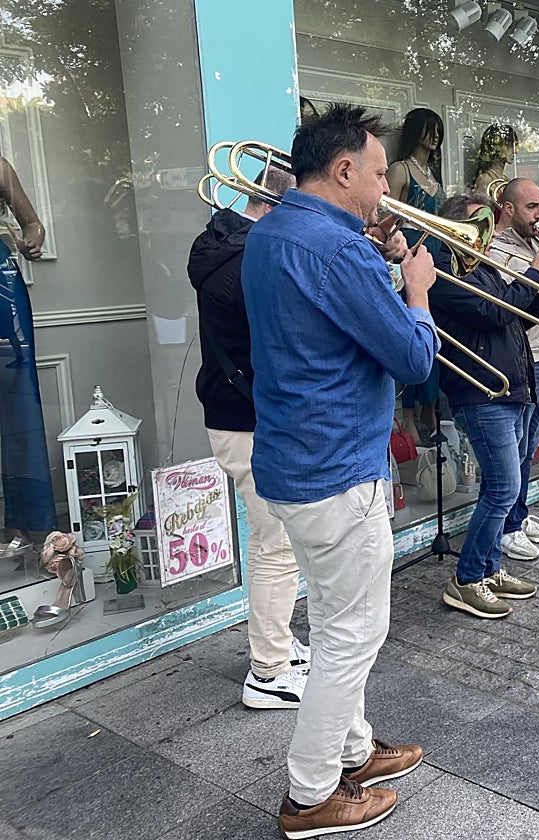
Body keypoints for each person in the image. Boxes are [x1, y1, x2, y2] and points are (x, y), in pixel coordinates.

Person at [242, 104, 438, 839]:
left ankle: (355, 752)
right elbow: (415, 360)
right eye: (381, 173)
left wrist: (375, 260)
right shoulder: (338, 250)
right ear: (345, 169)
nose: (387, 188)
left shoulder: (272, 231)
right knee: (354, 632)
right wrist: (415, 288)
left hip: (292, 461)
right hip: (338, 468)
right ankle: (312, 794)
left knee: (331, 623)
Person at [187, 165, 313, 710]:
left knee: (276, 542)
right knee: (275, 544)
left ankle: (279, 645)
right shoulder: (244, 260)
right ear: (275, 207)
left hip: (240, 414)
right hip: (246, 418)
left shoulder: (225, 244)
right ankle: (268, 671)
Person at [431, 192, 539, 618]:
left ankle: (489, 569)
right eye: (476, 225)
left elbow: (518, 316)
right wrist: (534, 274)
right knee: (505, 488)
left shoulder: (481, 267)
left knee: (498, 487)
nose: (485, 234)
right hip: (482, 393)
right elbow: (493, 313)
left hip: (508, 387)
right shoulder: (446, 272)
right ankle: (467, 579)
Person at [488, 178, 539, 561]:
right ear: (508, 208)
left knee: (529, 446)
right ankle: (506, 527)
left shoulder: (536, 244)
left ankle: (518, 512)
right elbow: (508, 306)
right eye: (532, 207)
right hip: (520, 359)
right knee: (514, 450)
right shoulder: (493, 247)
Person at [0, 156, 57, 555]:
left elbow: (32, 223)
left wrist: (32, 238)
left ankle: (27, 521)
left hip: (1, 285)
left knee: (17, 402)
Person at [388, 108, 446, 443]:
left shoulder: (432, 172)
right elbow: (387, 214)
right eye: (429, 129)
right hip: (407, 249)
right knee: (411, 329)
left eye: (438, 130)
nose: (435, 136)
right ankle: (408, 412)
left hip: (432, 253)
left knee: (432, 334)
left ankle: (429, 405)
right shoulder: (401, 169)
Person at [472, 123, 517, 193]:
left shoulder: (506, 180)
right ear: (497, 146)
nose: (514, 151)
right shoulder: (485, 180)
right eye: (509, 146)